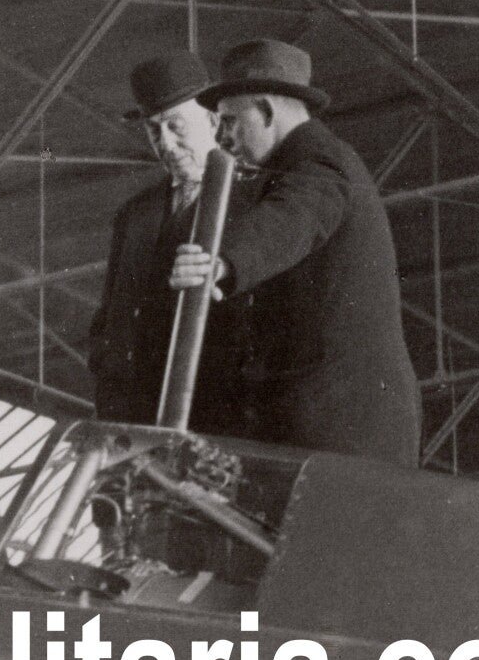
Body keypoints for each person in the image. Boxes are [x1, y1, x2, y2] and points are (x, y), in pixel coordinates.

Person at [171, 38, 421, 468]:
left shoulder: (320, 162)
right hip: (340, 427)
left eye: (229, 122)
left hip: (340, 431)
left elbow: (295, 216)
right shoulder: (301, 164)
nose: (223, 139)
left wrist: (224, 260)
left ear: (266, 111)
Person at [86, 52, 252, 437]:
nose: (166, 144)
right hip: (128, 418)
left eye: (176, 127)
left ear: (214, 121)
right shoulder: (134, 215)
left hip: (211, 421)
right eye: (154, 131)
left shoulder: (253, 206)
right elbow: (110, 314)